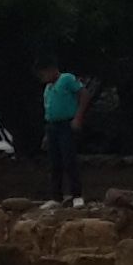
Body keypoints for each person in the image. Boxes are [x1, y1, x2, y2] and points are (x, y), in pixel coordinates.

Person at [41, 63, 89, 204]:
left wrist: (78, 117)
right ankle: (56, 196)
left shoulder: (67, 79)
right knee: (54, 163)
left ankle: (77, 195)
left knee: (69, 159)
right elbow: (49, 111)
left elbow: (84, 94)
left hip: (66, 124)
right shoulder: (48, 88)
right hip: (52, 125)